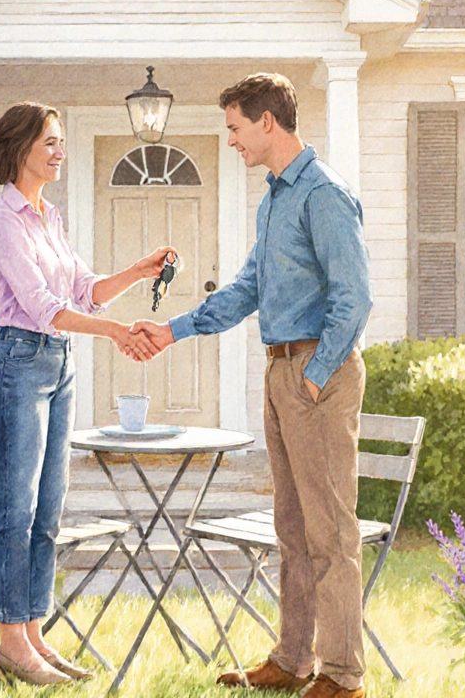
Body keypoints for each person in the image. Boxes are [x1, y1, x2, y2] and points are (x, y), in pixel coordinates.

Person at [133, 74, 372, 698]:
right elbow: (248, 289)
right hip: (280, 371)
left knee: (331, 533)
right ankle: (293, 661)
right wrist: (174, 330)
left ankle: (344, 678)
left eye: (236, 128)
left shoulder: (323, 194)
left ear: (269, 122)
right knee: (292, 528)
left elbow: (355, 298)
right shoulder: (274, 200)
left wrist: (315, 378)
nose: (231, 140)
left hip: (316, 372)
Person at [0, 101, 176, 685]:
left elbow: (84, 290)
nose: (59, 152)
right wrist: (116, 332)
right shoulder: (5, 221)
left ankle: (33, 634)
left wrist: (138, 272)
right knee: (12, 509)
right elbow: (43, 308)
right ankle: (11, 640)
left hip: (58, 364)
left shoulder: (48, 218)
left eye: (62, 141)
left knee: (47, 508)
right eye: (50, 143)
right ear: (21, 150)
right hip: (18, 361)